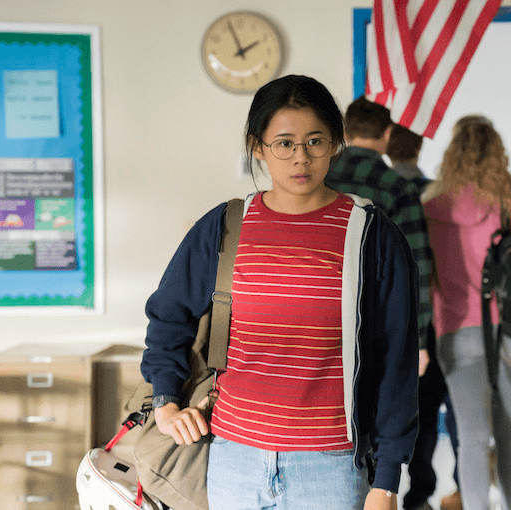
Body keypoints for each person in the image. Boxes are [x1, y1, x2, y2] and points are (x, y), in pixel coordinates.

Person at [140, 75, 420, 510]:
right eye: (284, 143)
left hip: (332, 467)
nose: (300, 158)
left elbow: (396, 362)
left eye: (315, 141)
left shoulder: (371, 236)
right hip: (234, 461)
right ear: (258, 147)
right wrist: (165, 401)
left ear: (336, 143)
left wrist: (386, 482)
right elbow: (169, 316)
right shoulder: (225, 227)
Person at [421, 115, 511, 510]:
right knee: (510, 432)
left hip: (454, 330)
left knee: (471, 436)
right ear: (496, 151)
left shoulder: (431, 203)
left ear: (453, 153)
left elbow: (421, 267)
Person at [324, 97, 434, 380]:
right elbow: (416, 265)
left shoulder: (319, 178)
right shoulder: (399, 189)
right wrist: (418, 340)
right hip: (375, 317)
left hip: (317, 311)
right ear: (388, 134)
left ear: (345, 134)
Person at [386, 123, 460, 510]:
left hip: (381, 319)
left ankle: (381, 491)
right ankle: (419, 494)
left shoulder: (367, 190)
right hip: (428, 317)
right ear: (418, 148)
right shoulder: (436, 197)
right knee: (427, 409)